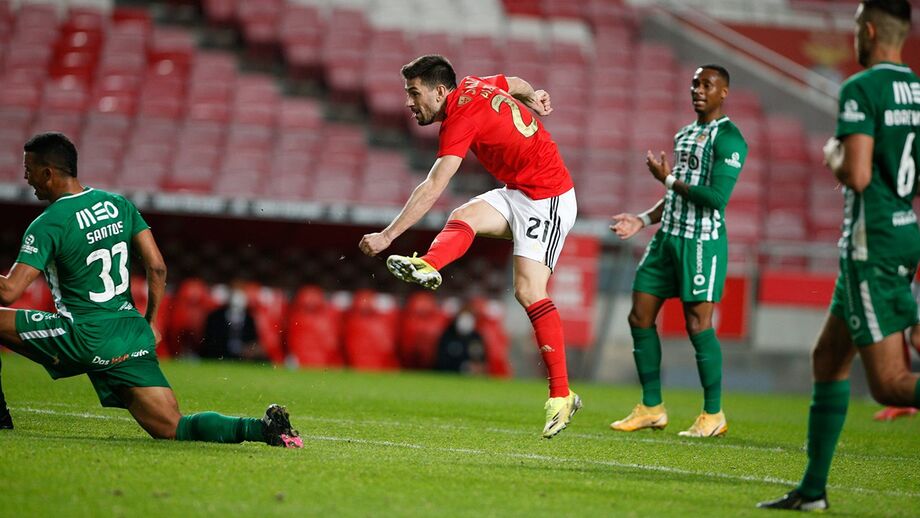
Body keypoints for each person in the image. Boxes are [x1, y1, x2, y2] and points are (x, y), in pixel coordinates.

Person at [0, 133, 302, 447]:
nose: (25, 177)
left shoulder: (48, 223)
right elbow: (157, 266)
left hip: (83, 336)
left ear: (48, 173)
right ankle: (261, 429)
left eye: (29, 169)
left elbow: (9, 291)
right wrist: (151, 322)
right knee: (173, 427)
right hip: (129, 334)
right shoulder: (118, 205)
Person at [358, 55, 581, 438]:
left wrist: (387, 236)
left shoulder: (460, 117)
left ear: (441, 90)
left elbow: (432, 185)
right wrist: (533, 97)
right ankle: (429, 264)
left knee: (529, 291)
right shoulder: (476, 85)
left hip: (548, 196)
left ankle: (562, 395)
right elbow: (514, 81)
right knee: (467, 214)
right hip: (519, 191)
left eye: (414, 93)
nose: (409, 103)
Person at [759, 0, 920, 511]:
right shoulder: (918, 91)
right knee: (828, 359)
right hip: (902, 231)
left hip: (869, 245)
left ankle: (812, 490)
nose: (854, 36)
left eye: (854, 28)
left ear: (868, 30)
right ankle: (812, 491)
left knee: (892, 385)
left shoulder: (861, 88)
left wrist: (833, 153)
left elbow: (856, 174)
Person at [607, 65, 747, 438]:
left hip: (701, 242)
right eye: (695, 83)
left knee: (698, 325)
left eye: (707, 85)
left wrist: (667, 178)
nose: (698, 90)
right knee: (639, 316)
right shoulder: (686, 135)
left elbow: (716, 199)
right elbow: (676, 193)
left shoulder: (730, 139)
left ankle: (713, 414)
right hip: (667, 238)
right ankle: (652, 407)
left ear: (724, 93)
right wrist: (642, 219)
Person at [201, 280, 264, 361]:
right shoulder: (215, 317)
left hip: (243, 359)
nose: (238, 297)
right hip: (219, 358)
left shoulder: (249, 319)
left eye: (241, 292)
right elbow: (210, 342)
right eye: (235, 292)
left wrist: (250, 349)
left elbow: (253, 342)